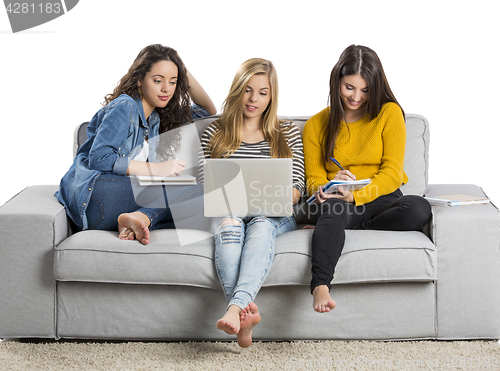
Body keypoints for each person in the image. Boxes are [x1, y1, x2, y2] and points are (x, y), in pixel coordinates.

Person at [302, 45, 432, 313]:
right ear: (337, 80)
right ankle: (320, 286)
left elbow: (392, 172)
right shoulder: (316, 125)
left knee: (419, 208)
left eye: (365, 90)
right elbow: (313, 182)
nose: (356, 97)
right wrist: (330, 186)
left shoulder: (389, 114)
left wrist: (358, 194)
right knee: (333, 209)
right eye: (349, 87)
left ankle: (342, 229)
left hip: (378, 198)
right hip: (337, 201)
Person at [55, 44, 216, 245]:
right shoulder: (125, 106)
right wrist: (157, 169)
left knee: (205, 208)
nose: (166, 89)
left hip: (113, 209)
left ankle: (138, 221)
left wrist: (180, 66)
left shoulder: (155, 119)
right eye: (158, 80)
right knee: (201, 192)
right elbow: (99, 159)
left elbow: (207, 110)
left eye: (173, 82)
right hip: (96, 197)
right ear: (139, 79)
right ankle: (142, 217)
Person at [199, 58, 305, 347]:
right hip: (228, 211)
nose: (254, 99)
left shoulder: (287, 133)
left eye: (262, 92)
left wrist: (268, 200)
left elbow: (297, 188)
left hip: (273, 214)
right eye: (247, 90)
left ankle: (235, 309)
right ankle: (245, 317)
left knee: (260, 223)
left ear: (272, 96)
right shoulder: (215, 133)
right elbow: (204, 186)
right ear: (237, 90)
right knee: (231, 222)